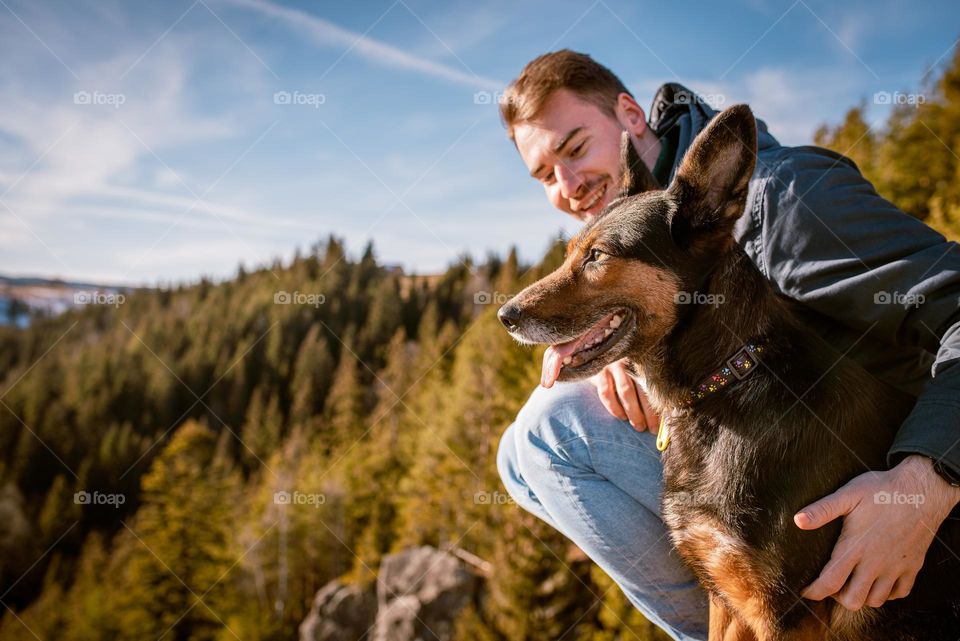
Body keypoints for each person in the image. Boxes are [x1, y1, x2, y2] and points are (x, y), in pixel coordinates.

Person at [495, 49, 960, 641]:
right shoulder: (644, 217)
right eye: (544, 176)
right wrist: (623, 352)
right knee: (516, 460)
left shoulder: (784, 200)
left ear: (630, 116)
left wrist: (922, 484)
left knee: (552, 430)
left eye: (576, 147)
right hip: (751, 445)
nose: (567, 185)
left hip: (878, 465)